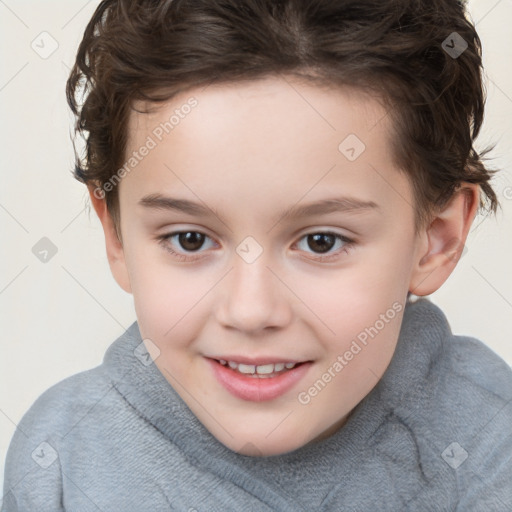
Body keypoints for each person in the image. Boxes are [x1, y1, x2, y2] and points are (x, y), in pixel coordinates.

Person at [2, 0, 511, 510]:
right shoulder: (63, 460)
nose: (250, 311)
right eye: (191, 239)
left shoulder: (488, 442)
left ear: (436, 239)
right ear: (115, 234)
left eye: (321, 242)